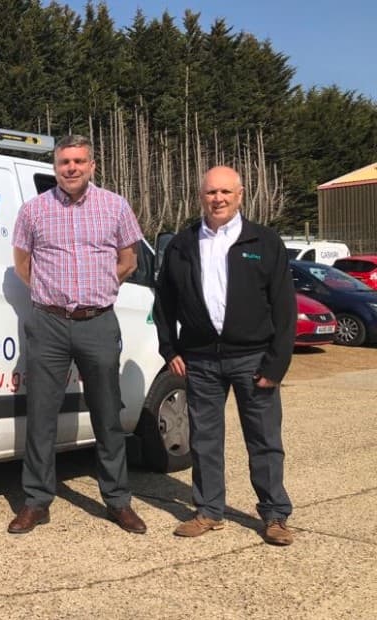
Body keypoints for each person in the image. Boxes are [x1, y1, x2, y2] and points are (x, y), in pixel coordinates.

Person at [9, 134, 147, 535]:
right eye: (64, 162)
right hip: (49, 323)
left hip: (97, 321)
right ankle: (36, 501)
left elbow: (128, 260)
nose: (71, 168)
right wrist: (49, 294)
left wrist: (100, 288)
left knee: (107, 413)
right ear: (55, 167)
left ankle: (118, 501)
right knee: (41, 416)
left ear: (92, 166)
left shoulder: (115, 206)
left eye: (78, 161)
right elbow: (22, 263)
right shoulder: (34, 210)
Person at [153, 165, 295, 545]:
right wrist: (169, 348)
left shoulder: (263, 241)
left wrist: (277, 362)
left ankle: (275, 515)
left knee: (263, 439)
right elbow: (164, 302)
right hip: (200, 360)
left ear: (240, 195)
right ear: (201, 196)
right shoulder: (182, 245)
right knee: (204, 440)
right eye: (211, 192)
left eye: (225, 192)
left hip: (254, 359)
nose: (218, 199)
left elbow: (285, 306)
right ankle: (208, 510)